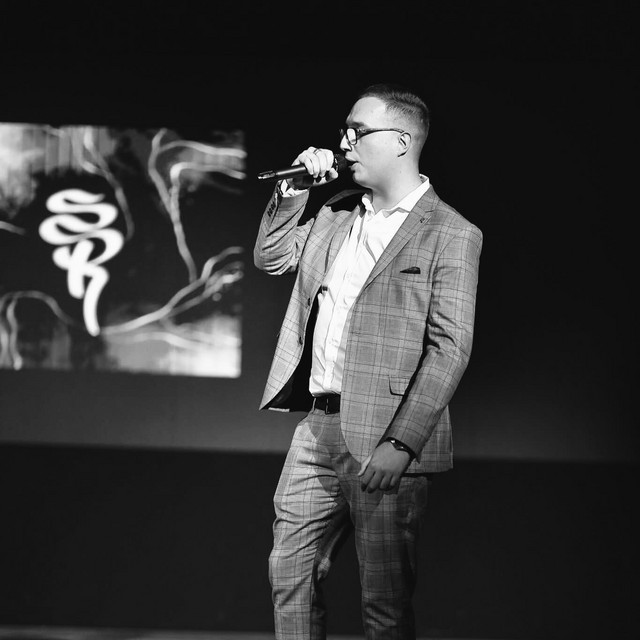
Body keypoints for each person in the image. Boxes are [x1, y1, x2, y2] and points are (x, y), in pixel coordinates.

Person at [254, 82, 483, 640]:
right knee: (289, 574)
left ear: (402, 141)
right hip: (317, 429)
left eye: (358, 131)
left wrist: (402, 443)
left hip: (386, 437)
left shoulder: (450, 233)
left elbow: (449, 348)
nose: (344, 142)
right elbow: (271, 258)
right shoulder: (334, 213)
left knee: (384, 603)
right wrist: (294, 188)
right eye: (344, 131)